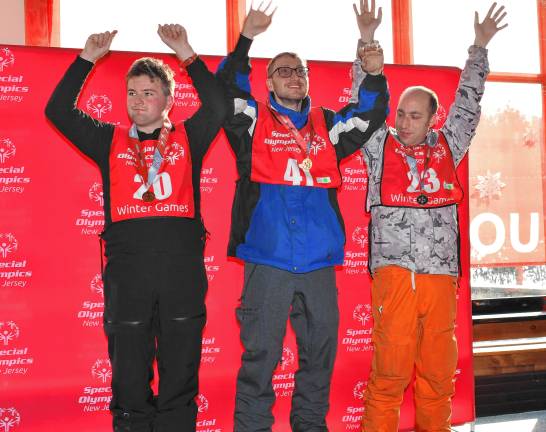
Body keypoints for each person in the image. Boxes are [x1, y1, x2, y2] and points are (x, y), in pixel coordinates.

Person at [216, 3, 389, 430]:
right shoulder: (253, 121)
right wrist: (246, 39)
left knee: (319, 360)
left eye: (300, 70)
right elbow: (225, 93)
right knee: (261, 360)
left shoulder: (327, 126)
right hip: (268, 260)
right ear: (269, 81)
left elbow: (369, 115)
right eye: (283, 70)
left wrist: (373, 66)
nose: (294, 76)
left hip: (317, 266)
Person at [45, 25, 226, 432]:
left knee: (180, 374)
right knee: (128, 376)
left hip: (181, 274)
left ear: (168, 100)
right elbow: (57, 111)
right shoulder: (108, 140)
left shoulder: (188, 137)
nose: (138, 101)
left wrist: (186, 53)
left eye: (148, 92)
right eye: (132, 93)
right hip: (128, 276)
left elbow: (219, 107)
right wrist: (86, 59)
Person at [351, 2, 508, 431]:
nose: (403, 122)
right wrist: (366, 41)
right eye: (400, 113)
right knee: (389, 377)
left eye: (413, 115)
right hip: (395, 275)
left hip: (440, 277)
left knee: (438, 377)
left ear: (432, 119)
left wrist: (479, 47)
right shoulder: (378, 145)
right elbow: (361, 105)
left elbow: (468, 107)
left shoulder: (449, 144)